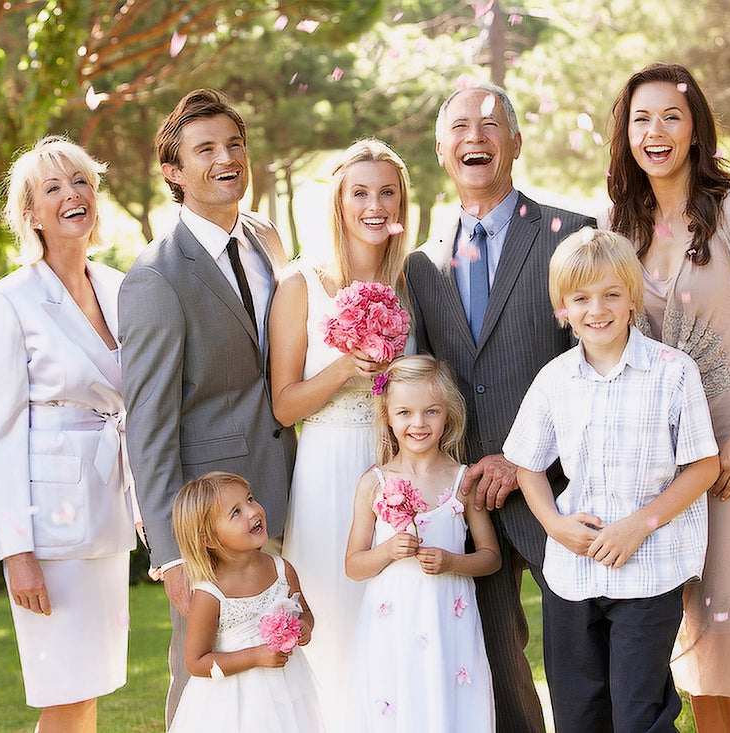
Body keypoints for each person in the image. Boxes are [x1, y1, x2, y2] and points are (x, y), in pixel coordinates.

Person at [403, 81, 596, 731]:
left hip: (565, 487)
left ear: (515, 141)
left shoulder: (572, 234)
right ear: (440, 150)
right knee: (495, 671)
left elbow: (600, 367)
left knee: (587, 661)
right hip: (471, 502)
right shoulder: (420, 267)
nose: (474, 137)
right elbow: (426, 382)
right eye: (459, 127)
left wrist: (526, 457)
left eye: (490, 124)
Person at [119, 88, 296, 726]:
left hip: (285, 488)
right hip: (210, 522)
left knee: (287, 664)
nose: (226, 158)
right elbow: (148, 425)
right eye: (205, 150)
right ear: (173, 170)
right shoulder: (154, 277)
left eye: (234, 144)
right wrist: (170, 552)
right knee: (201, 673)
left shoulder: (265, 241)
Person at [607, 62, 730, 732]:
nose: (656, 131)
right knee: (693, 635)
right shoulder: (616, 225)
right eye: (641, 118)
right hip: (665, 469)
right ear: (625, 133)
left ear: (696, 129)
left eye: (671, 116)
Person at [503, 227, 720, 732]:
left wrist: (638, 525)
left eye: (611, 295)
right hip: (572, 573)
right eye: (580, 298)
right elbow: (527, 464)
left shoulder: (672, 372)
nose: (596, 309)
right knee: (578, 714)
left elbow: (703, 466)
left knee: (638, 714)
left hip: (649, 570)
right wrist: (555, 526)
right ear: (563, 307)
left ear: (632, 299)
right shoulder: (555, 379)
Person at [0, 136, 136, 732]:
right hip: (49, 531)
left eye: (82, 182)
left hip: (109, 515)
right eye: (53, 187)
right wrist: (17, 552)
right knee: (64, 689)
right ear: (30, 214)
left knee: (91, 685)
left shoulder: (123, 288)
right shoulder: (7, 301)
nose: (73, 195)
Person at [269, 138, 411, 722]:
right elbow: (283, 406)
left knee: (397, 613)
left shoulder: (414, 280)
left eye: (387, 192)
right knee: (334, 610)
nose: (373, 205)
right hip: (328, 464)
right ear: (339, 202)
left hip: (396, 468)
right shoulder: (301, 283)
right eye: (360, 192)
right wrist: (346, 365)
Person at [345, 355, 500, 731]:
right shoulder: (374, 483)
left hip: (448, 619)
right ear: (388, 417)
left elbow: (490, 557)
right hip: (393, 622)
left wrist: (452, 562)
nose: (418, 423)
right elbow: (353, 565)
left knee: (447, 703)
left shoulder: (463, 480)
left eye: (431, 411)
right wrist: (387, 551)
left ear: (448, 414)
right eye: (405, 413)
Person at [167, 471, 324, 732]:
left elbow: (304, 612)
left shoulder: (281, 569)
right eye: (236, 512)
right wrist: (256, 656)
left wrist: (304, 627)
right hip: (232, 701)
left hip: (286, 687)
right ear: (208, 539)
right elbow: (196, 662)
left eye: (250, 500)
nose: (252, 512)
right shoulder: (209, 593)